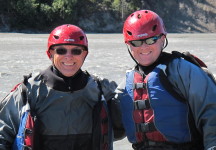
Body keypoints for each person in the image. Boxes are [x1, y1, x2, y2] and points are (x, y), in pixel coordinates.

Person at [0, 24, 122, 150]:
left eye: (76, 51)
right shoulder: (28, 91)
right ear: (50, 53)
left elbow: (125, 126)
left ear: (84, 54)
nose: (68, 56)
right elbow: (2, 133)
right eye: (61, 50)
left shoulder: (101, 89)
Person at [115, 10, 216, 150]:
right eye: (136, 42)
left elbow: (211, 113)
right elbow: (109, 126)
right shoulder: (126, 84)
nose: (144, 47)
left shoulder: (184, 70)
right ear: (129, 44)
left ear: (162, 39)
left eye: (151, 40)